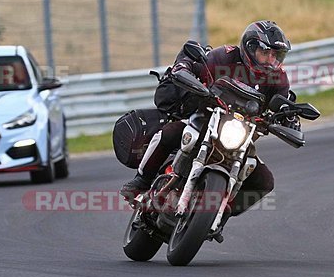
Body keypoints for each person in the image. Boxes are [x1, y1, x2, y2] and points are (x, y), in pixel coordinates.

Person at [120, 20, 298, 217]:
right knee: (170, 132)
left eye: (276, 55)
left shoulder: (278, 78)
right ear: (250, 47)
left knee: (265, 181)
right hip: (206, 118)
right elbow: (195, 66)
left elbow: (283, 104)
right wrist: (185, 68)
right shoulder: (225, 56)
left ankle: (219, 214)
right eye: (266, 53)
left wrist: (289, 119)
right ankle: (141, 181)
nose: (270, 60)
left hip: (242, 136)